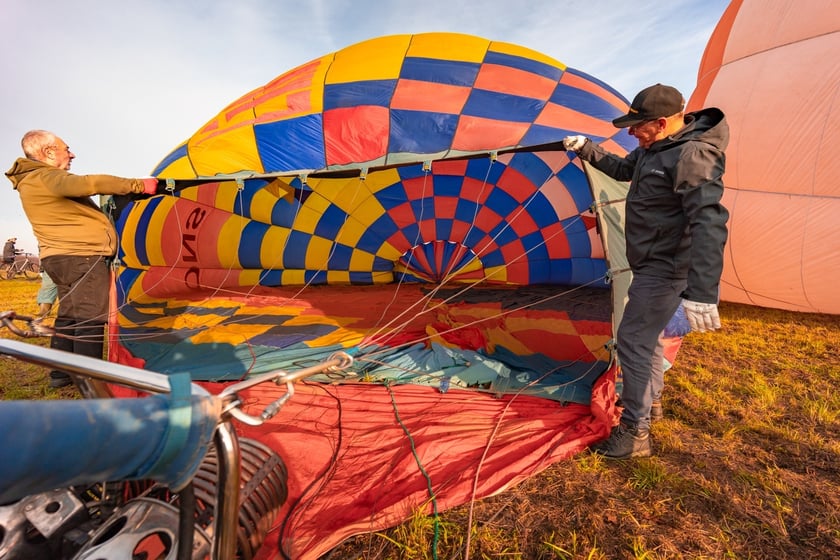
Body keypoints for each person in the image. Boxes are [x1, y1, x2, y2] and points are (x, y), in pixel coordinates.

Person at [562, 84, 729, 458]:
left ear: (661, 122)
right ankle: (650, 405)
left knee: (633, 342)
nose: (630, 132)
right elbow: (622, 169)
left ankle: (634, 433)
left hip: (666, 270)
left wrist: (703, 293)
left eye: (637, 126)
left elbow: (709, 221)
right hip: (652, 266)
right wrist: (585, 148)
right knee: (647, 341)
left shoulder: (692, 154)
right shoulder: (652, 151)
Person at [5, 130, 159, 389]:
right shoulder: (45, 176)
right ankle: (91, 382)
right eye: (67, 148)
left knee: (71, 315)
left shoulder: (31, 180)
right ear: (49, 152)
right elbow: (90, 184)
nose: (72, 154)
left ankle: (60, 373)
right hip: (81, 256)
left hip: (60, 258)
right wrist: (139, 185)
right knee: (91, 318)